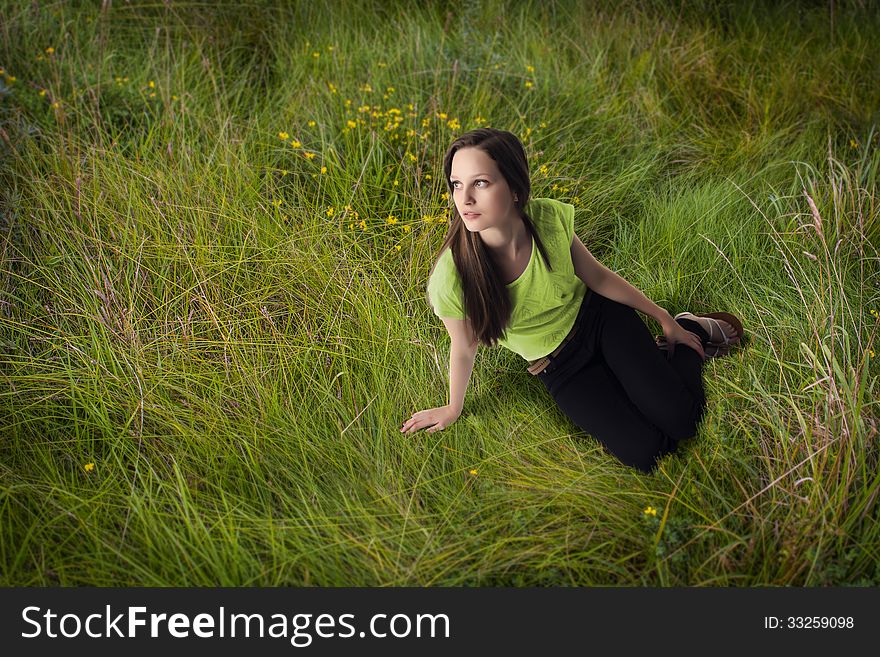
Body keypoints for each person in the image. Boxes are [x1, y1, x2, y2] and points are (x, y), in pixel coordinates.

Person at [400, 128, 743, 473]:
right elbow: (463, 347)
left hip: (602, 321)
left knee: (683, 420)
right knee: (648, 453)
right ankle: (647, 369)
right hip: (558, 365)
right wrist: (452, 407)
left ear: (515, 187)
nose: (465, 199)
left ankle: (688, 328)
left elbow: (597, 277)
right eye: (457, 184)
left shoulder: (547, 219)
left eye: (481, 183)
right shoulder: (451, 277)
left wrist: (665, 319)